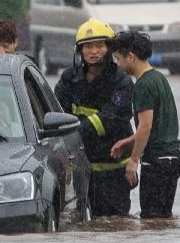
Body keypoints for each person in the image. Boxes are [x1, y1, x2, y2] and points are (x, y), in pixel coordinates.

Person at [54, 19, 135, 216]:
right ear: (80, 50)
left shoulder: (121, 82)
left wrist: (75, 132)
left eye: (99, 45)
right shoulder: (68, 79)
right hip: (79, 169)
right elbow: (56, 113)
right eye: (88, 46)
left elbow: (111, 118)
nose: (94, 51)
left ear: (109, 48)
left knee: (115, 224)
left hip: (113, 171)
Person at [110, 31, 180, 219]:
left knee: (151, 222)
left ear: (131, 57)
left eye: (118, 58)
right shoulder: (159, 78)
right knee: (163, 220)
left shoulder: (142, 85)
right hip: (173, 158)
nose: (117, 64)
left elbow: (146, 127)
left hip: (157, 162)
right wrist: (129, 141)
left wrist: (133, 160)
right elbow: (157, 125)